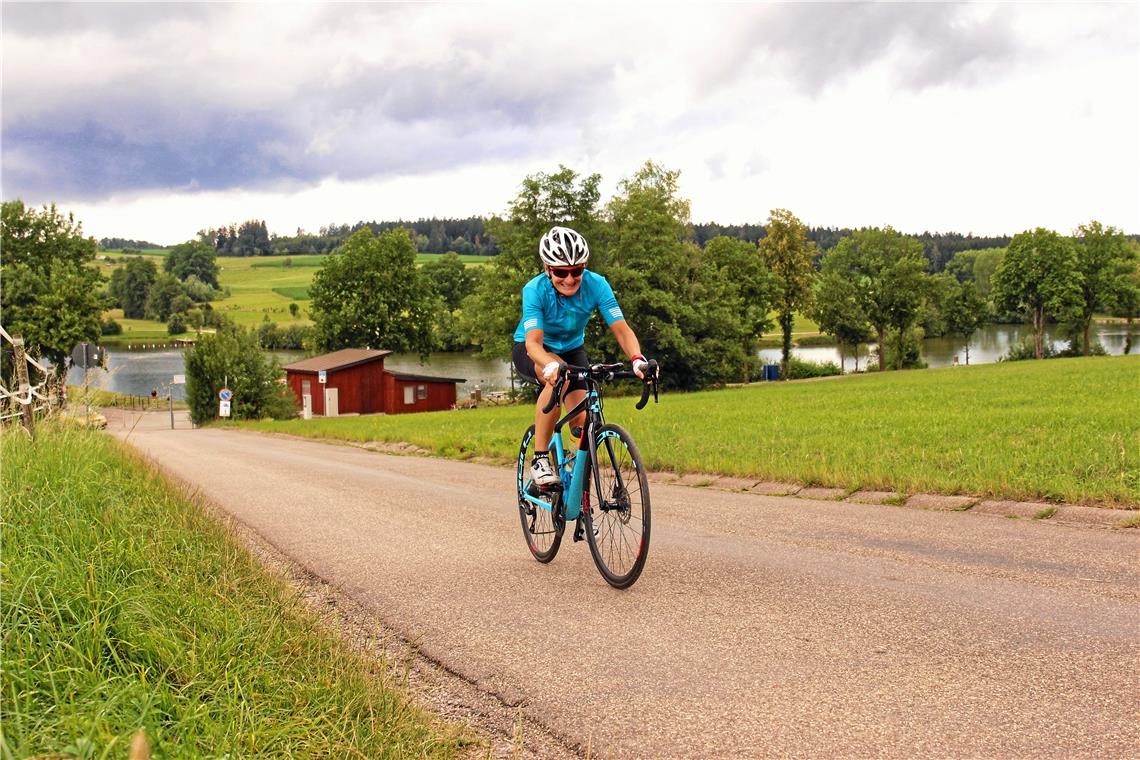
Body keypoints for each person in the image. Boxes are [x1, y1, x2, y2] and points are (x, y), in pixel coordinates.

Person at [512, 226, 654, 487]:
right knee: (558, 378)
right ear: (547, 269)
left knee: (582, 424)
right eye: (560, 272)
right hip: (532, 349)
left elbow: (621, 329)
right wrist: (551, 365)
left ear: (584, 267)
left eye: (576, 271)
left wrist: (637, 359)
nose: (569, 279)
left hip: (572, 349)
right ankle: (541, 459)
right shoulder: (534, 290)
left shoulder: (596, 284)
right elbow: (533, 344)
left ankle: (575, 486)